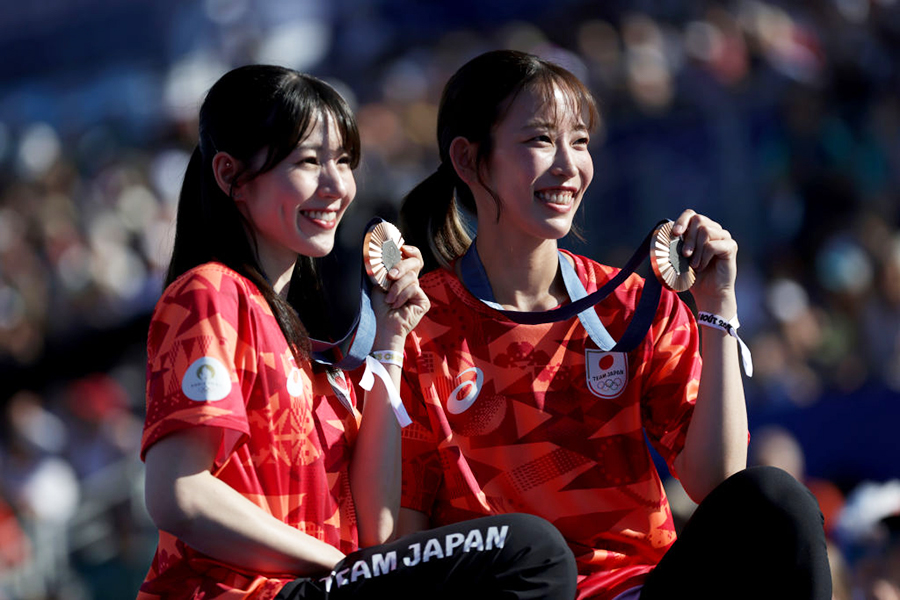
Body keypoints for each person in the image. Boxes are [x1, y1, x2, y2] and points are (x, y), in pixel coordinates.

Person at [397, 50, 832, 600]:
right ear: (468, 159)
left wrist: (718, 309)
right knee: (536, 550)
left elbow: (717, 481)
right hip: (507, 593)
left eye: (578, 141)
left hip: (639, 589)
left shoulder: (631, 304)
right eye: (538, 140)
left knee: (777, 501)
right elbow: (400, 537)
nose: (567, 166)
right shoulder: (411, 323)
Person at [139, 64, 577, 600]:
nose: (336, 185)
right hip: (245, 593)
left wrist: (391, 340)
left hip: (322, 585)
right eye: (308, 161)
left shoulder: (302, 339)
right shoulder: (209, 293)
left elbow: (378, 532)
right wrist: (340, 569)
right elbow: (179, 494)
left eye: (343, 161)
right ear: (231, 175)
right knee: (529, 550)